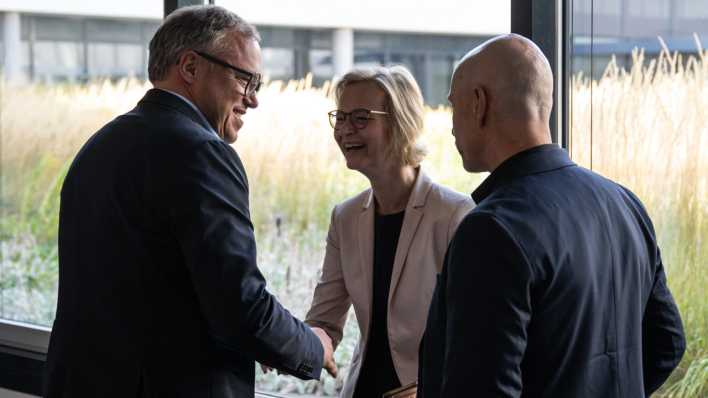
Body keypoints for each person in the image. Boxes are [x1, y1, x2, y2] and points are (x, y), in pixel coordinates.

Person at [44, 6, 336, 397]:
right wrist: (312, 346)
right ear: (191, 67)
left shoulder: (98, 147)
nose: (253, 101)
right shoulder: (202, 153)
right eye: (245, 79)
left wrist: (264, 335)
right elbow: (239, 308)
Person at [418, 34, 686, 397]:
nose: (451, 126)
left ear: (479, 104)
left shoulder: (493, 230)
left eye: (454, 106)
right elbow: (667, 343)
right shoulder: (624, 202)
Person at [304, 66, 475, 398]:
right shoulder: (345, 216)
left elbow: (471, 336)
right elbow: (324, 321)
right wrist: (283, 342)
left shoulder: (455, 214)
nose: (343, 130)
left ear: (401, 123)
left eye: (360, 118)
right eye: (340, 117)